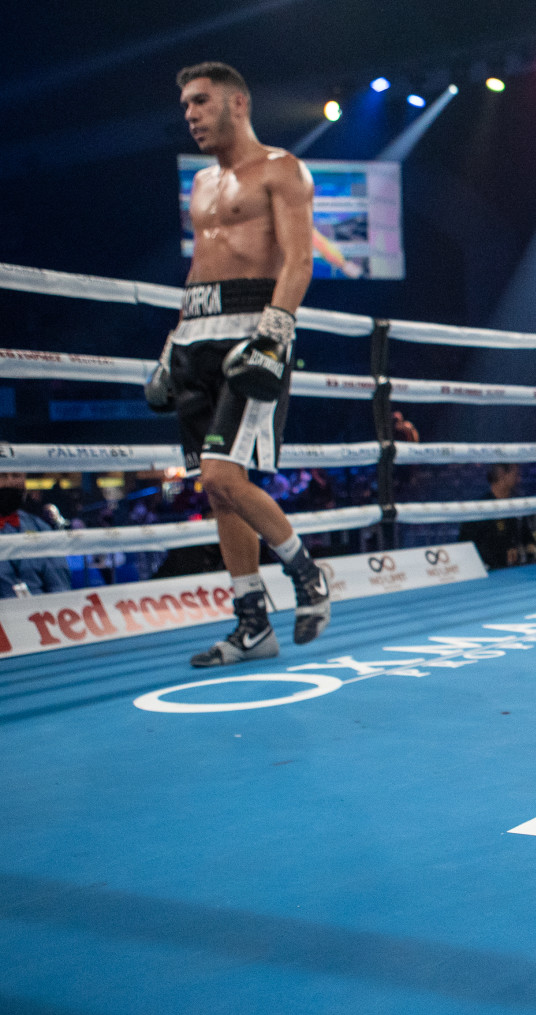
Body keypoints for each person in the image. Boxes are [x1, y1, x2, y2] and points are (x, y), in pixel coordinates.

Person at [144, 61, 328, 667]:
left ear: (238, 103)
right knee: (218, 492)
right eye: (186, 106)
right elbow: (198, 269)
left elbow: (299, 261)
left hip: (252, 331)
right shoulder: (199, 184)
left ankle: (307, 572)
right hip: (197, 333)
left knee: (224, 476)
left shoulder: (280, 169)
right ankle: (253, 625)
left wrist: (274, 335)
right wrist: (174, 343)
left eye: (201, 101)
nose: (191, 114)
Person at [0, 471, 72, 598]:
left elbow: (60, 587)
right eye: (2, 476)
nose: (10, 482)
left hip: (40, 612)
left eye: (16, 475)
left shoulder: (39, 527)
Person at [458, 463, 536, 569]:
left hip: (518, 571)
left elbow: (528, 539)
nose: (519, 479)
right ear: (501, 474)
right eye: (515, 474)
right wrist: (501, 556)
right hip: (490, 573)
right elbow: (465, 546)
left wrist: (528, 551)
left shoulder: (516, 505)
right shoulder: (478, 509)